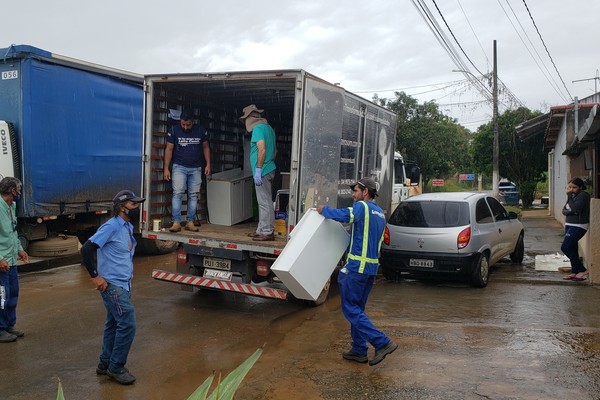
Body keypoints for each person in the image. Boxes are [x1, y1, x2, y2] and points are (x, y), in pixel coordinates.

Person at [317, 177, 398, 366]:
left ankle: (382, 342)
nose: (353, 195)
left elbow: (346, 216)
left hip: (356, 268)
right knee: (358, 310)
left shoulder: (363, 207)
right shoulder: (380, 213)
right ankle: (359, 350)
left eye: (355, 191)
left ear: (365, 192)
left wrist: (324, 211)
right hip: (370, 270)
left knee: (350, 309)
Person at [80, 190, 145, 385]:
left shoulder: (126, 226)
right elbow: (86, 248)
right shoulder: (111, 226)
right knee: (128, 324)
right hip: (113, 286)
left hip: (124, 283)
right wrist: (95, 276)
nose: (137, 208)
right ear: (122, 207)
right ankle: (116, 368)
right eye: (133, 205)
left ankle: (105, 363)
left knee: (114, 323)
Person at [163, 111, 211, 232]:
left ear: (192, 122)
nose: (185, 127)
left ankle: (190, 222)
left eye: (188, 125)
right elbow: (169, 149)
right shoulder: (174, 130)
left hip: (196, 168)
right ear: (180, 121)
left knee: (193, 195)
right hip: (179, 167)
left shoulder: (200, 130)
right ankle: (176, 222)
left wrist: (208, 164)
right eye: (183, 124)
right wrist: (166, 168)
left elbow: (206, 147)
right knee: (177, 193)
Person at [240, 104, 277, 241]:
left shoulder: (257, 129)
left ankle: (267, 231)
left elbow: (262, 150)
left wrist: (259, 168)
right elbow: (275, 151)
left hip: (262, 170)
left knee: (264, 201)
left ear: (249, 118)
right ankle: (261, 229)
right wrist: (268, 162)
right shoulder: (269, 129)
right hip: (269, 168)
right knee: (264, 200)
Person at [0, 177, 28, 343]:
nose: (19, 192)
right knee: (2, 296)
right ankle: (0, 328)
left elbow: (12, 231)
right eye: (18, 189)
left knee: (13, 292)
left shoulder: (12, 206)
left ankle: (10, 324)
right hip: (2, 261)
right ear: (12, 191)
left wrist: (19, 249)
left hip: (11, 261)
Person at [561, 177, 591, 281]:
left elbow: (576, 209)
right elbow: (564, 210)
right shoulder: (573, 196)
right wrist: (571, 211)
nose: (571, 189)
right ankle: (575, 272)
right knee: (573, 248)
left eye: (574, 187)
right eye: (569, 187)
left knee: (565, 247)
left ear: (580, 187)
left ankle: (582, 270)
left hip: (579, 225)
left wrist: (570, 200)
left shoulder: (583, 195)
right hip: (569, 224)